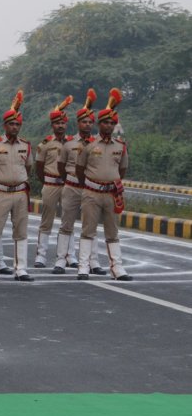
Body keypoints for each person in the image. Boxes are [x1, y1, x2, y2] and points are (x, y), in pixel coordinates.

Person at [77, 88, 131, 281]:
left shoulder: (120, 146)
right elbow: (79, 170)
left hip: (111, 193)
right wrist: (92, 184)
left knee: (112, 231)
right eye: (105, 122)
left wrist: (110, 182)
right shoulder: (89, 145)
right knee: (88, 230)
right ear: (99, 124)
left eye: (112, 123)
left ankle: (117, 268)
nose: (109, 125)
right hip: (91, 192)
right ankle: (83, 266)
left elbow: (122, 170)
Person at [0, 90, 34, 283]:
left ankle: (21, 269)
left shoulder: (26, 146)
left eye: (17, 124)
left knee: (21, 231)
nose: (14, 127)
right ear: (5, 126)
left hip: (20, 193)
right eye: (11, 124)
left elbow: (28, 167)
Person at [53, 89, 98, 274]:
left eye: (90, 122)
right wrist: (69, 181)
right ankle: (61, 260)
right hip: (71, 187)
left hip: (90, 189)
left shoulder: (97, 144)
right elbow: (61, 167)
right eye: (84, 121)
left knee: (91, 226)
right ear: (78, 123)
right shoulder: (69, 143)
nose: (87, 125)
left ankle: (92, 262)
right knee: (66, 224)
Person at [34, 96, 73, 268]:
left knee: (68, 220)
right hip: (50, 184)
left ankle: (68, 255)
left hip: (68, 186)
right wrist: (48, 181)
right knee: (46, 219)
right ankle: (41, 255)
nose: (60, 126)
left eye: (63, 123)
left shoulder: (73, 143)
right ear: (53, 125)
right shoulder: (45, 144)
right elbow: (38, 167)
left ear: (66, 124)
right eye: (57, 123)